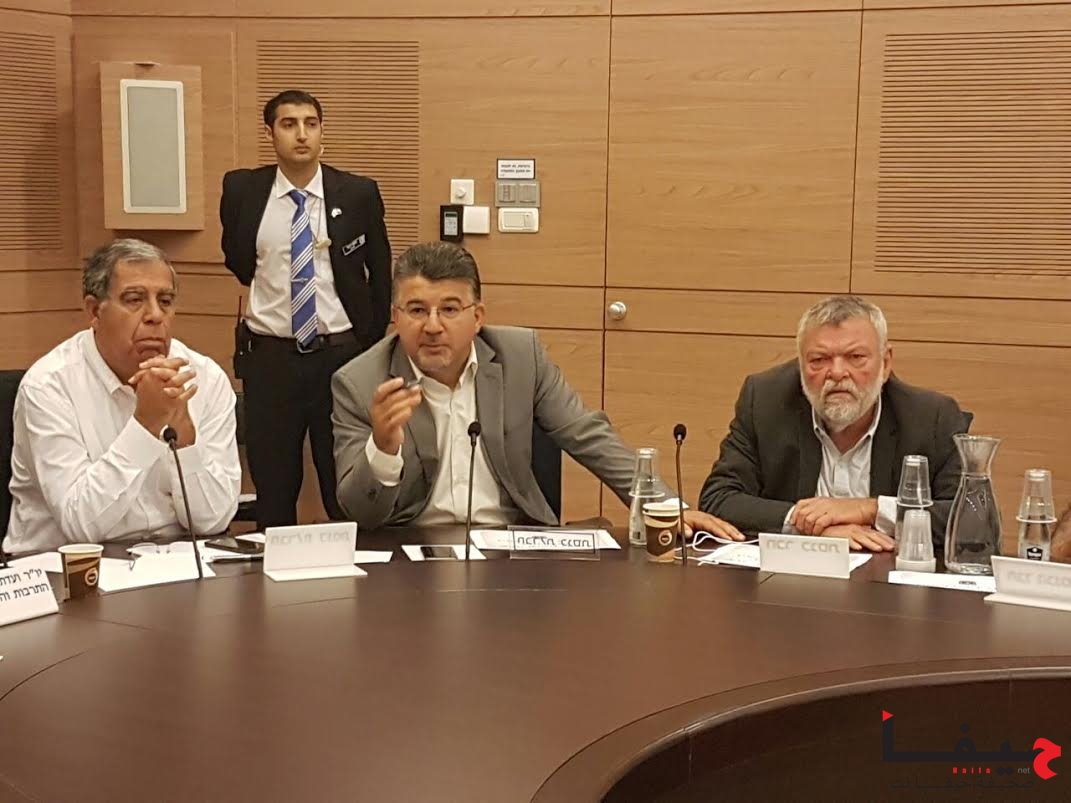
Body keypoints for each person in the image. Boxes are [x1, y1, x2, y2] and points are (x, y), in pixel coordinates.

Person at [332, 241, 738, 537]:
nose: (433, 326)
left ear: (478, 316)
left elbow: (587, 434)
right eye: (417, 310)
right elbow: (360, 513)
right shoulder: (360, 382)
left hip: (511, 546)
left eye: (450, 309)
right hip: (408, 551)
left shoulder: (520, 357)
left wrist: (663, 506)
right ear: (396, 317)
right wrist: (383, 449)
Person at [220, 89, 391, 529]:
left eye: (311, 124)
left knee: (343, 483)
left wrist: (367, 345)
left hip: (340, 358)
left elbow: (380, 272)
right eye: (289, 124)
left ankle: (354, 568)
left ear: (321, 132)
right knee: (274, 484)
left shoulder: (357, 193)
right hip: (270, 359)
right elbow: (238, 260)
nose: (301, 134)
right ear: (270, 133)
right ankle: (271, 568)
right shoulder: (242, 190)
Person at [3, 239, 240, 554]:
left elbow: (213, 521)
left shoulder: (204, 379)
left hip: (173, 560)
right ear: (94, 311)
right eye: (134, 299)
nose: (155, 315)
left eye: (165, 300)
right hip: (67, 568)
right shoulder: (48, 386)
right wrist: (145, 426)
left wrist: (186, 446)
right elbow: (80, 526)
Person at [699, 295, 968, 551]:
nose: (837, 373)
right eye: (819, 360)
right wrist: (810, 526)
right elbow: (718, 498)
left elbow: (969, 519)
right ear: (801, 365)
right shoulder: (765, 401)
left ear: (885, 364)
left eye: (856, 357)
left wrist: (869, 509)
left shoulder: (932, 418)